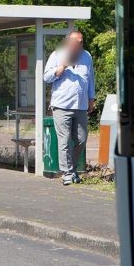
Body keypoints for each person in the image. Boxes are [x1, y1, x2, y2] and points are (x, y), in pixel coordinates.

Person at [43, 31, 95, 186]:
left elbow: (90, 78)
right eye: (75, 42)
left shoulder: (87, 56)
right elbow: (46, 77)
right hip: (62, 105)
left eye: (80, 42)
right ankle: (67, 172)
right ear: (68, 42)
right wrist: (62, 67)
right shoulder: (57, 55)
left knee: (81, 138)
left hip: (80, 105)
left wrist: (91, 98)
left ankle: (71, 169)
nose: (78, 45)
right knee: (64, 139)